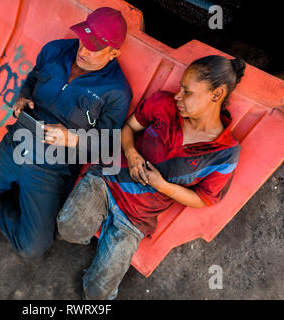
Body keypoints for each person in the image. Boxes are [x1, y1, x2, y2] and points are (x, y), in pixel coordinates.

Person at [0, 7, 132, 295]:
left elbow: (107, 146)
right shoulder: (55, 50)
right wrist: (22, 98)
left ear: (113, 53)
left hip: (51, 167)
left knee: (32, 247)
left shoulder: (116, 92)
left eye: (95, 49)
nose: (83, 51)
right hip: (17, 142)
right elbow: (30, 80)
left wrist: (71, 138)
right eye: (83, 40)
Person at [57, 55, 246, 300]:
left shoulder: (225, 154)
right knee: (69, 229)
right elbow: (129, 128)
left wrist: (162, 185)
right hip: (107, 181)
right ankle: (99, 220)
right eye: (180, 89)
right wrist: (131, 152)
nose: (178, 96)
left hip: (137, 217)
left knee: (97, 294)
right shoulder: (163, 104)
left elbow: (203, 199)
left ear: (216, 94)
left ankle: (108, 236)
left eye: (187, 92)